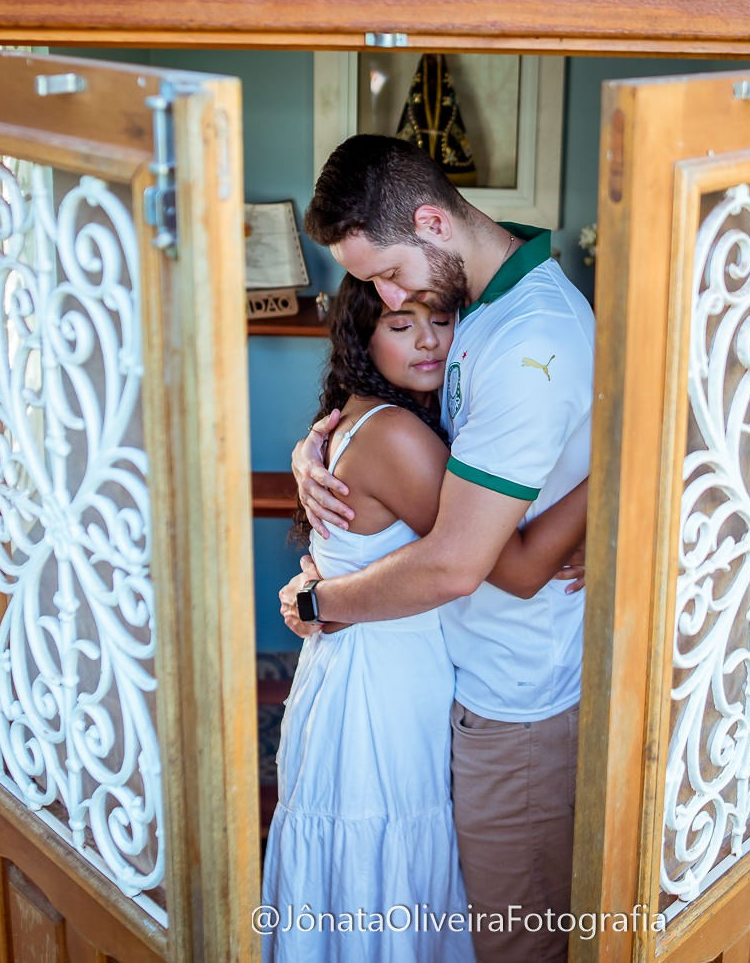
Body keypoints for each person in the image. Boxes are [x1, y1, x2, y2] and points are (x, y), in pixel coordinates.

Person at [280, 135, 596, 963]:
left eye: (388, 271)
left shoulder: (533, 336)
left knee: (507, 941)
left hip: (513, 698)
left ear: (431, 221)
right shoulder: (483, 308)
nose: (387, 293)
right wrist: (319, 447)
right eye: (385, 300)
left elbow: (476, 561)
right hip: (456, 684)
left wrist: (320, 600)